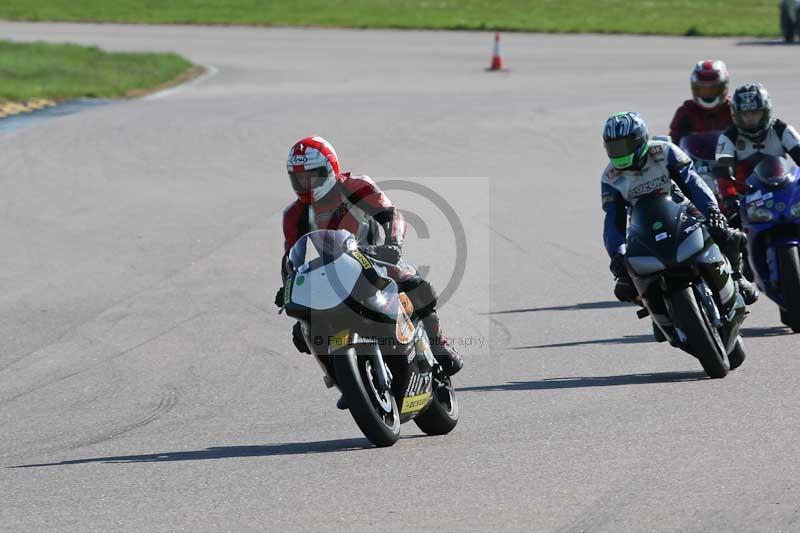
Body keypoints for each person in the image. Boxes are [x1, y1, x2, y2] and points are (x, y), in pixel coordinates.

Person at [275, 135, 463, 380]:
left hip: (374, 258)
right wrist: (288, 285)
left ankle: (439, 344)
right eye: (298, 178)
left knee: (416, 284)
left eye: (312, 175)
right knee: (303, 330)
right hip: (331, 273)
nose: (305, 183)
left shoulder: (355, 186)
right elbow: (292, 256)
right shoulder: (294, 214)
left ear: (330, 169)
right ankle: (341, 378)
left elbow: (391, 214)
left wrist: (393, 244)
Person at [601, 111, 758, 305]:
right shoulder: (610, 177)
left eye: (624, 146)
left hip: (683, 211)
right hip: (642, 227)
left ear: (640, 139)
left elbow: (694, 185)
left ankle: (736, 278)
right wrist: (617, 253)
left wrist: (712, 212)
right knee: (625, 280)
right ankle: (657, 308)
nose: (620, 153)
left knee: (726, 234)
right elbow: (613, 219)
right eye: (614, 148)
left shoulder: (665, 152)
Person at [714, 82, 800, 218]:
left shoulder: (782, 129)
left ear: (765, 111)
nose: (750, 119)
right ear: (736, 114)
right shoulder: (727, 137)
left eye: (755, 113)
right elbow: (722, 173)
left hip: (782, 192)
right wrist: (729, 197)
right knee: (720, 223)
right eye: (745, 114)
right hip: (745, 198)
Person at [669, 60, 733, 146]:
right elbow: (672, 143)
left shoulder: (734, 109)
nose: (708, 94)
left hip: (730, 158)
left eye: (712, 89)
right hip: (694, 159)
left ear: (724, 87)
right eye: (703, 90)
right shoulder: (686, 111)